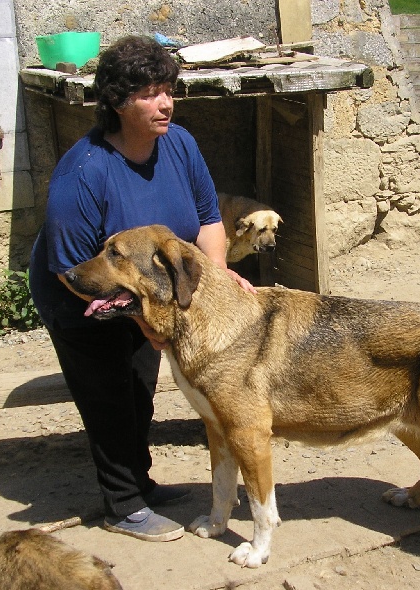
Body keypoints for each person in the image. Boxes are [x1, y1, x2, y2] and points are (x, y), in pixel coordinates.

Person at [29, 35, 254, 542]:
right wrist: (144, 320)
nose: (166, 103)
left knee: (141, 389)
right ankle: (123, 503)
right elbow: (69, 269)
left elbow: (207, 218)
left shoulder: (179, 144)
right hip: (82, 298)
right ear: (115, 101)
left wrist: (214, 284)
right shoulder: (82, 175)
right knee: (108, 394)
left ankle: (142, 482)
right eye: (150, 93)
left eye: (168, 89)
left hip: (147, 296)